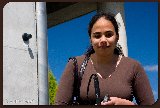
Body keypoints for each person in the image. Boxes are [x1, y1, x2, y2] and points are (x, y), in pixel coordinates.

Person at [54, 12, 155, 105]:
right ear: (90, 39)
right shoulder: (75, 65)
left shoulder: (134, 67)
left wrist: (128, 104)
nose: (103, 40)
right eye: (97, 36)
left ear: (117, 37)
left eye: (109, 34)